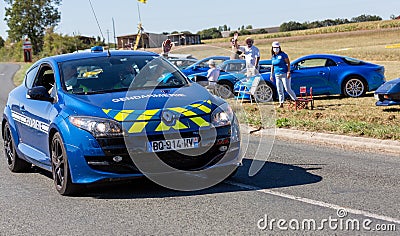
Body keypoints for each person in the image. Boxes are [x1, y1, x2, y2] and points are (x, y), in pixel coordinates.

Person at [270, 41, 297, 108]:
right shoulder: (273, 56)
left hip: (284, 74)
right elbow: (272, 65)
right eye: (274, 47)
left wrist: (288, 72)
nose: (276, 49)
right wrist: (271, 74)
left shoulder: (283, 55)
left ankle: (295, 100)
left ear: (279, 47)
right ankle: (281, 103)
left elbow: (288, 63)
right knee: (279, 89)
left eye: (277, 47)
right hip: (277, 75)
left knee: (287, 88)